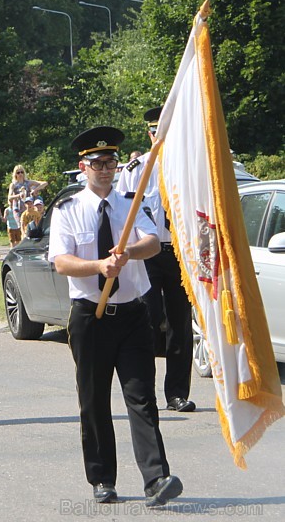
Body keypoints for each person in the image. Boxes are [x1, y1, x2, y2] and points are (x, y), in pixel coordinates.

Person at [49, 126, 182, 507]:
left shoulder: (132, 201)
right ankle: (102, 478)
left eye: (110, 162)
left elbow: (153, 242)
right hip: (90, 315)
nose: (105, 169)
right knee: (93, 400)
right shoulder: (68, 210)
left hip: (132, 315)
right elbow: (61, 262)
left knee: (141, 396)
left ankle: (156, 478)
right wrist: (98, 265)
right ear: (83, 167)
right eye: (98, 163)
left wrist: (129, 254)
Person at [116, 106, 196, 413]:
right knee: (146, 322)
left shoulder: (188, 168)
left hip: (178, 253)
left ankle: (176, 392)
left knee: (180, 324)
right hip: (146, 255)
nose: (161, 138)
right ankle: (143, 391)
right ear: (150, 135)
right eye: (156, 133)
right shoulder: (135, 170)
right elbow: (121, 212)